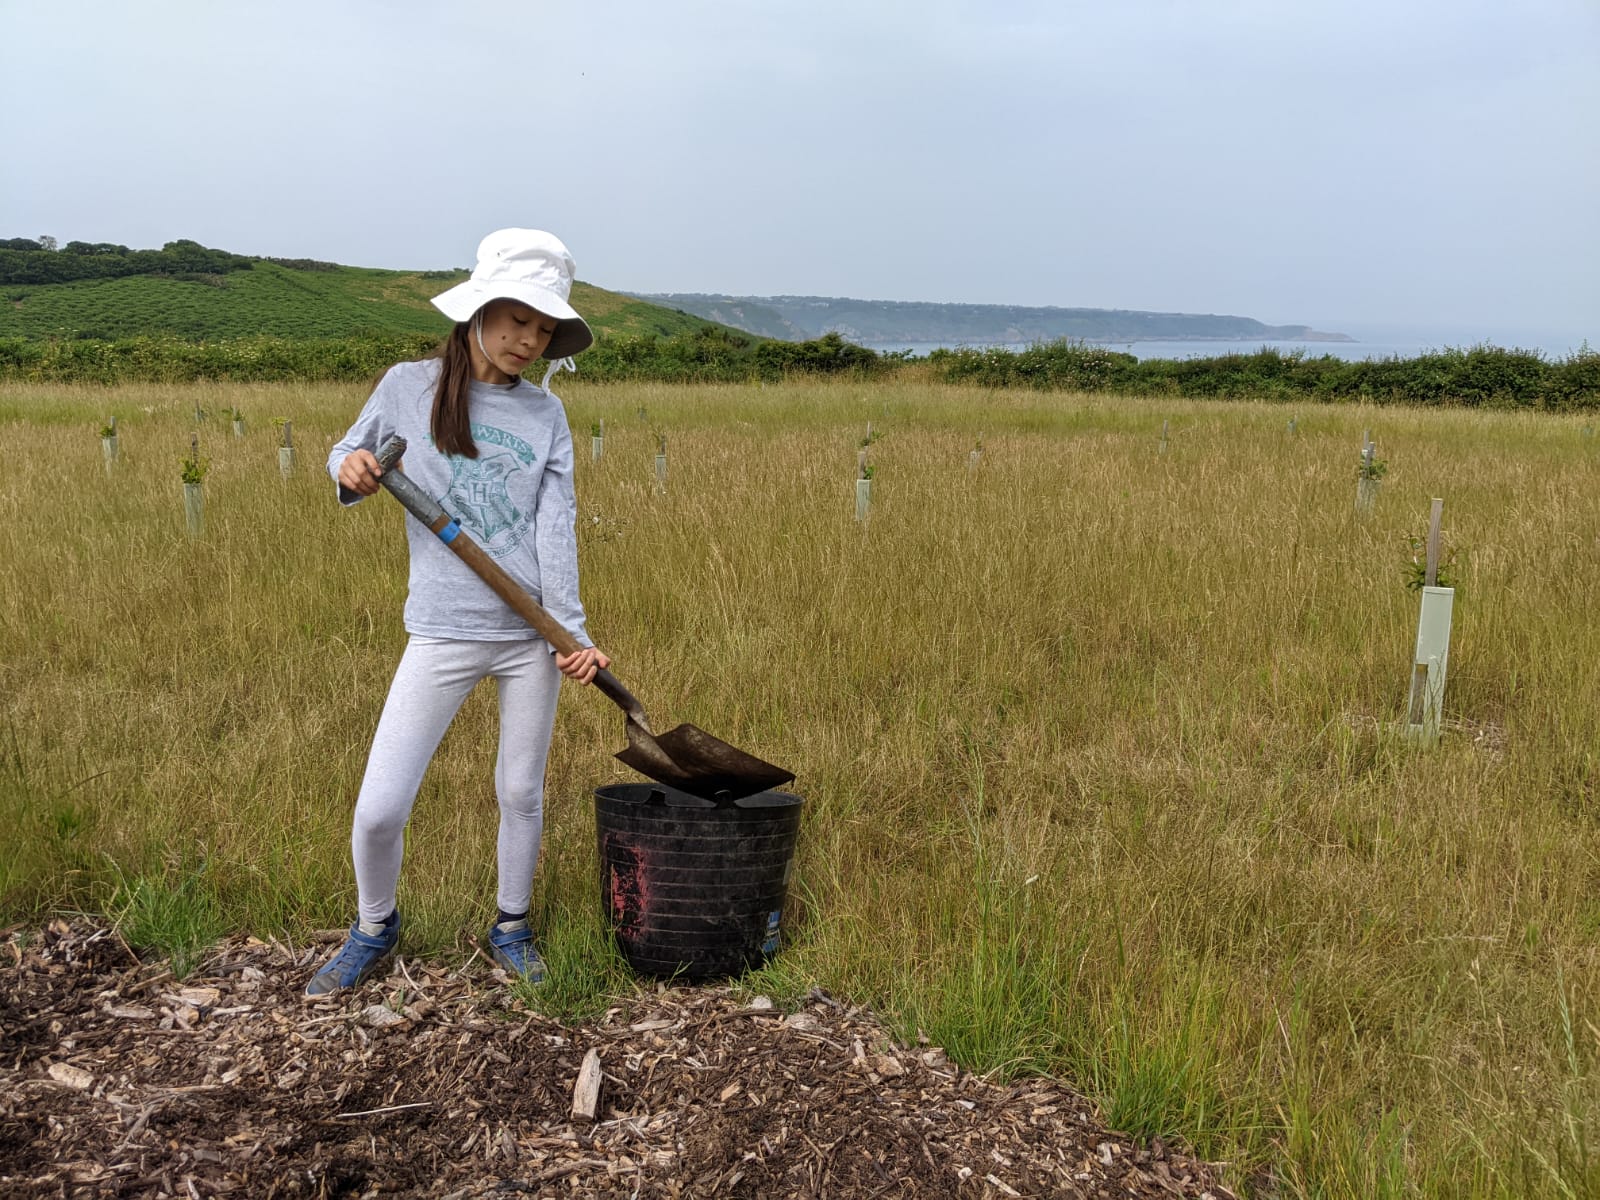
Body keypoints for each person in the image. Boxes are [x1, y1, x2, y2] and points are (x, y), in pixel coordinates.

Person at [306, 228, 610, 997]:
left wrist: (568, 634)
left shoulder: (547, 415)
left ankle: (512, 925)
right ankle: (374, 926)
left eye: (543, 329)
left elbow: (556, 526)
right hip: (440, 628)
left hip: (528, 637)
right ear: (478, 311)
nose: (529, 341)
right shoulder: (409, 385)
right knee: (380, 808)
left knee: (520, 794)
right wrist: (352, 467)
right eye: (517, 321)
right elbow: (349, 451)